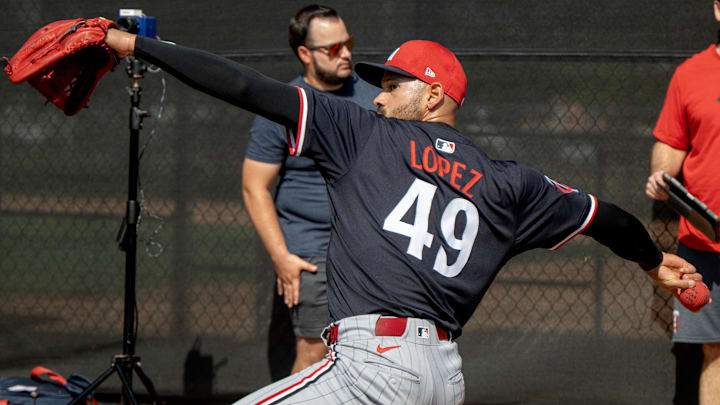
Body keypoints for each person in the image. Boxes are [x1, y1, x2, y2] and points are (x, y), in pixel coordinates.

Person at [102, 28, 704, 405]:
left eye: (393, 85)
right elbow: (610, 219)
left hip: (372, 369)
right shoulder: (513, 183)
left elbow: (245, 87)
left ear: (434, 95)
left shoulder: (362, 133)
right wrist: (653, 263)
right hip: (444, 377)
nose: (379, 96)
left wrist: (137, 46)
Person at [241, 5, 377, 378]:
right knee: (315, 353)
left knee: (371, 354)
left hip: (368, 251)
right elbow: (255, 187)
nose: (346, 53)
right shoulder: (283, 105)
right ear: (305, 53)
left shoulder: (376, 100)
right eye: (333, 48)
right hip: (312, 251)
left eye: (347, 43)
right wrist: (282, 257)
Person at [645, 2, 720, 404]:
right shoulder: (690, 74)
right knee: (715, 351)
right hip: (705, 246)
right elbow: (670, 144)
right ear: (718, 9)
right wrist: (661, 174)